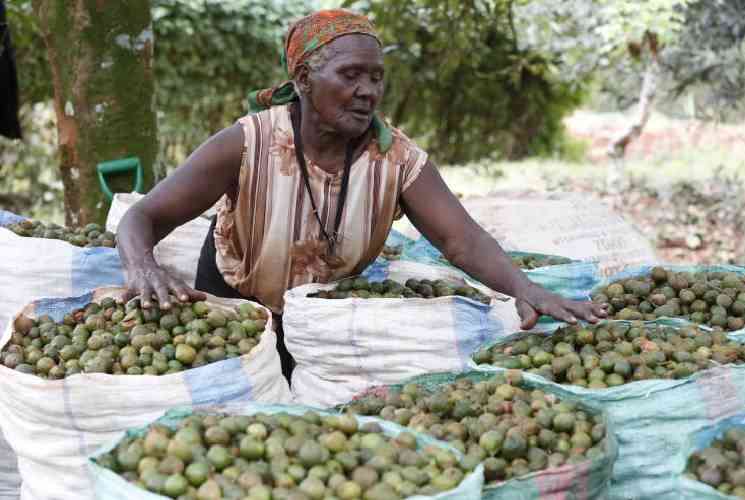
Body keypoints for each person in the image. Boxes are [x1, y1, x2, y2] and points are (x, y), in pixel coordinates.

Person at [117, 9, 607, 382]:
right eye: (350, 75)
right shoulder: (249, 142)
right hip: (237, 302)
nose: (367, 91)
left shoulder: (395, 159)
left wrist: (523, 287)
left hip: (326, 316)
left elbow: (461, 240)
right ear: (305, 80)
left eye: (376, 78)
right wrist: (143, 265)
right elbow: (144, 217)